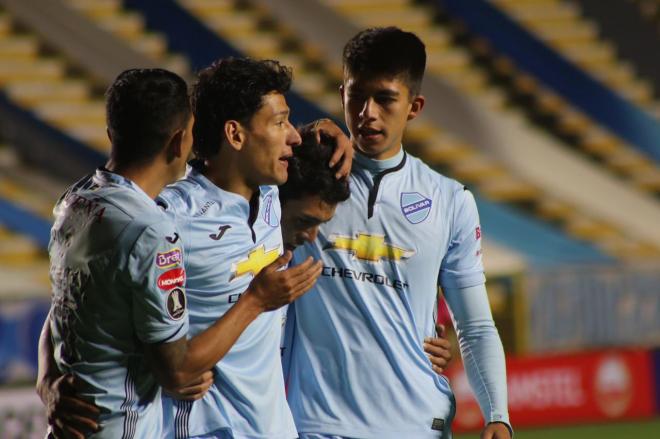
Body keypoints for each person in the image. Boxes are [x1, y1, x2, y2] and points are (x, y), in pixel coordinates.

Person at [37, 66, 323, 439]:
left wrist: (332, 132)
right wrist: (48, 380)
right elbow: (79, 305)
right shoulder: (166, 219)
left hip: (270, 428)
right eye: (280, 122)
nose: (293, 137)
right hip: (200, 428)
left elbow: (73, 301)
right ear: (234, 135)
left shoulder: (272, 189)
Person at [283, 27, 512, 439]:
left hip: (419, 425)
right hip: (320, 427)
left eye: (385, 99)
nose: (367, 112)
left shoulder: (449, 199)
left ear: (414, 106)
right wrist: (306, 131)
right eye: (356, 96)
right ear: (342, 95)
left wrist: (498, 415)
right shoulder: (299, 183)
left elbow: (475, 325)